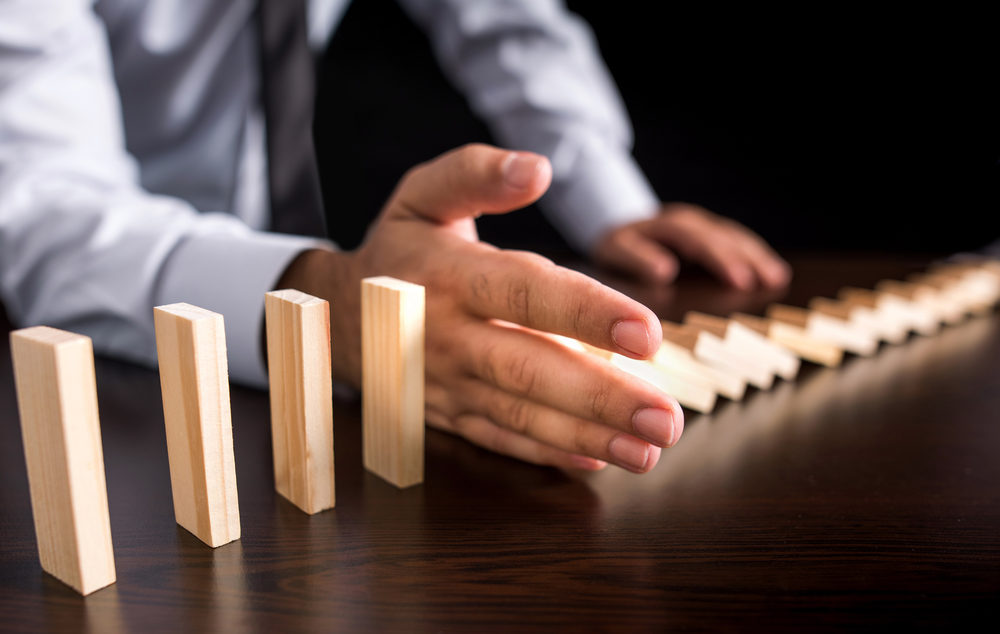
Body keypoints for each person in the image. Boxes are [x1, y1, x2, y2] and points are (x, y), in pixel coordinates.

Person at [0, 1, 787, 474]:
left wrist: (609, 196)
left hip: (287, 320)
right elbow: (44, 207)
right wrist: (329, 306)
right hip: (92, 321)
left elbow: (508, 22)